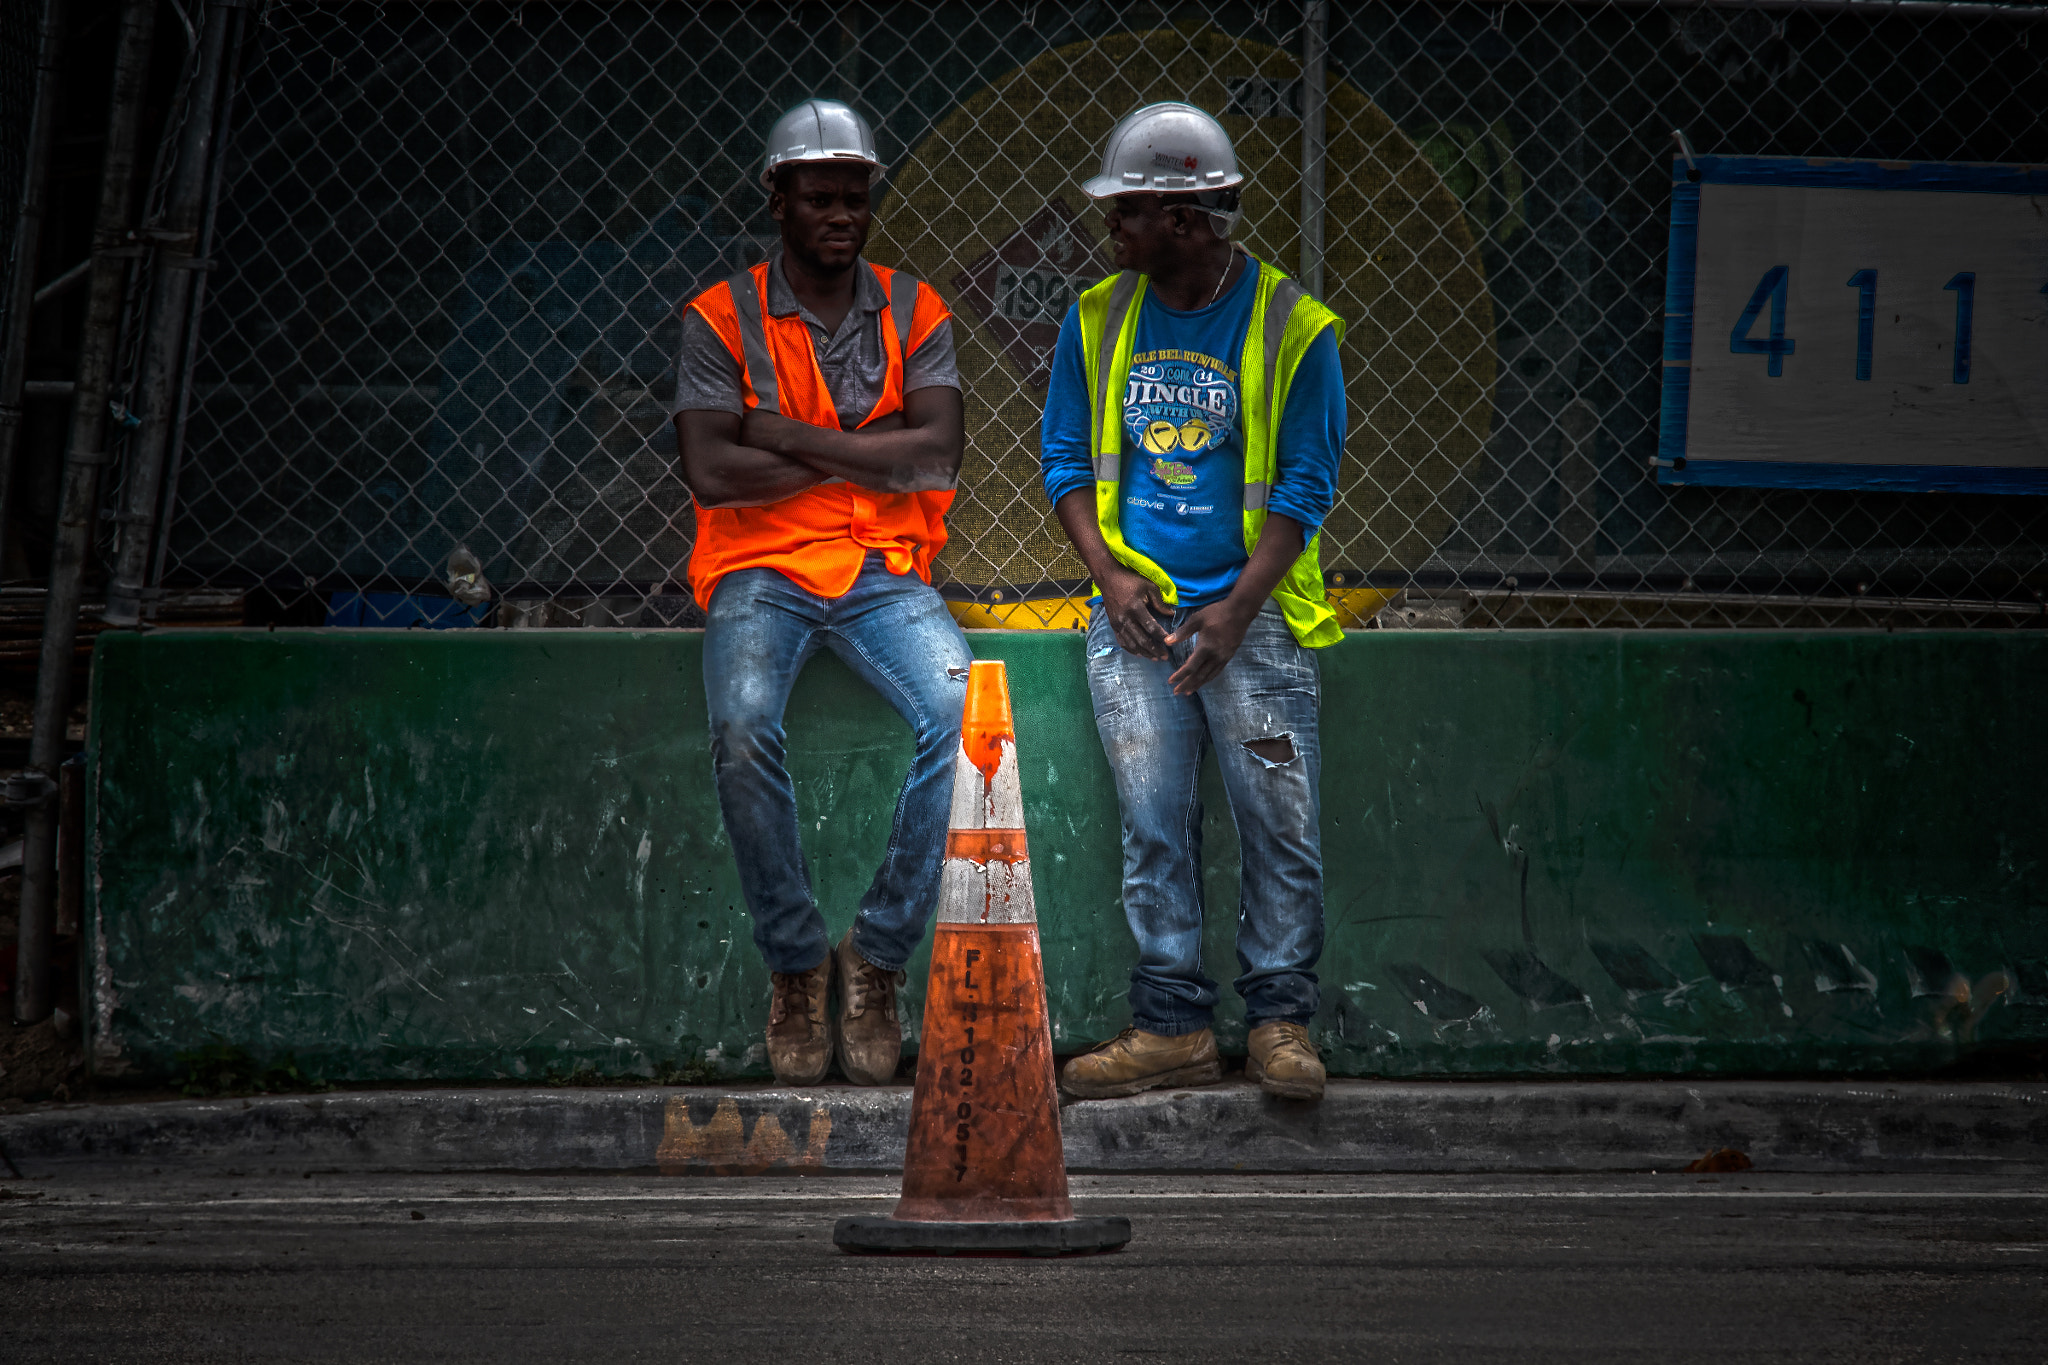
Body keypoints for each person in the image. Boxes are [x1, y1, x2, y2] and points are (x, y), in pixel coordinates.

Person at [1040, 103, 1347, 1103]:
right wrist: (1109, 577)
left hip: (1247, 624)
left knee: (1277, 823)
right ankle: (1170, 1025)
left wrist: (1236, 611)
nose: (1109, 229)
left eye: (1124, 211)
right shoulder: (1094, 319)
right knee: (1153, 826)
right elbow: (1062, 466)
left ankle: (1278, 1024)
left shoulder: (1291, 326)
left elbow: (1304, 486)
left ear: (1180, 218)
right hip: (1137, 621)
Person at [674, 99, 970, 1086]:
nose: (840, 215)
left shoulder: (915, 309)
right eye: (819, 198)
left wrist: (788, 438)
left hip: (882, 567)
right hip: (760, 566)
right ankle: (798, 963)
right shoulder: (721, 317)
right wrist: (863, 459)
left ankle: (875, 960)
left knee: (963, 711)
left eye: (855, 198)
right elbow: (712, 472)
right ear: (778, 199)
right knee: (744, 725)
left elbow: (931, 459)